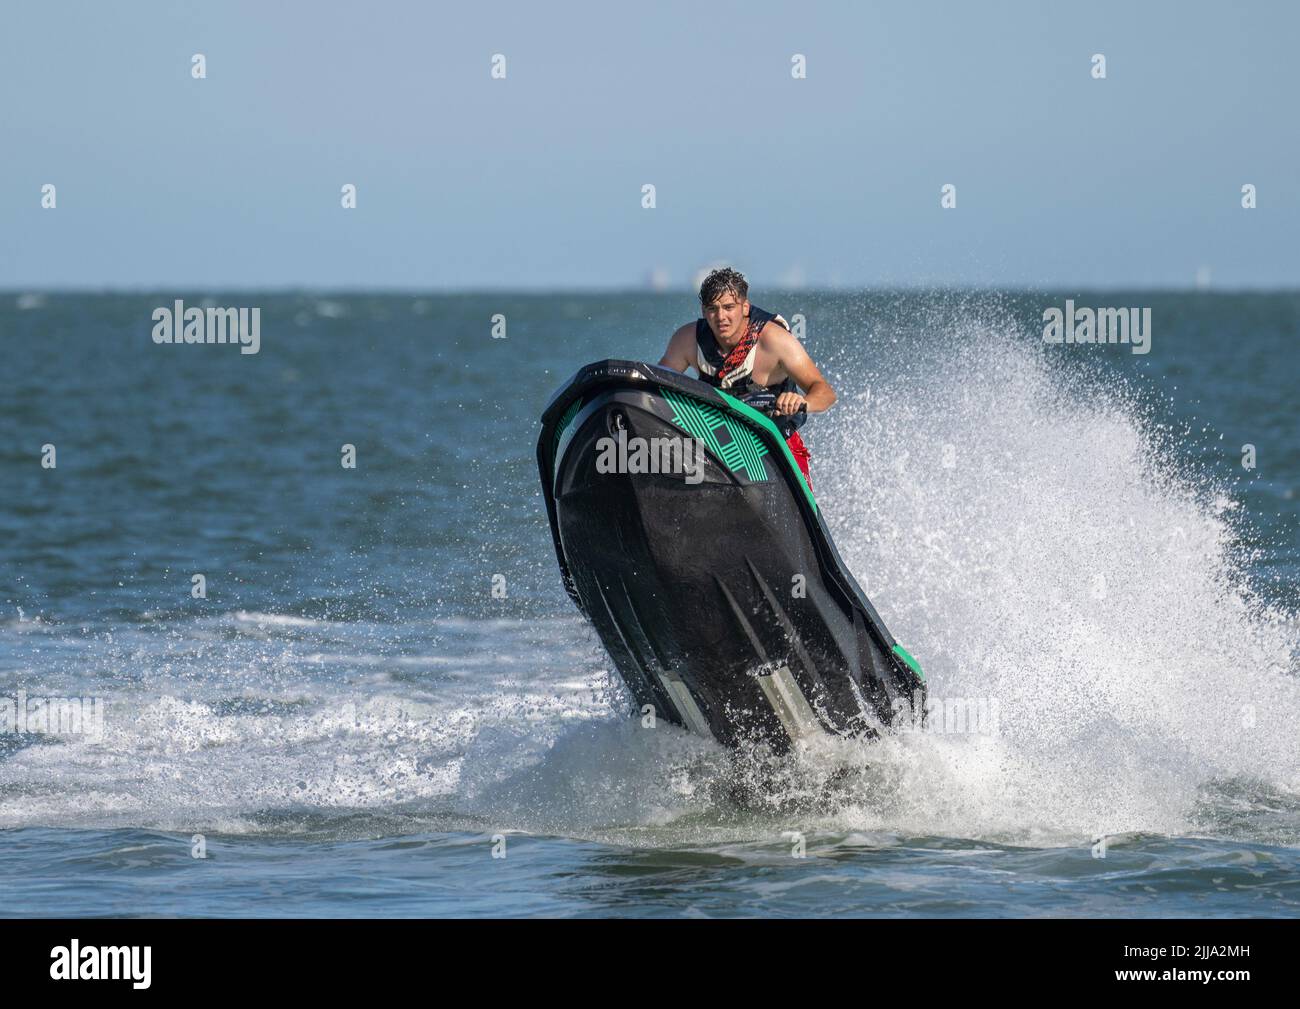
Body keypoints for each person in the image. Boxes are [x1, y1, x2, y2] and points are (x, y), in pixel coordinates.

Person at [656, 267, 835, 488]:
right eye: (713, 309)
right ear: (704, 311)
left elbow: (825, 393)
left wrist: (802, 402)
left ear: (745, 307)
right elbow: (656, 388)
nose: (721, 317)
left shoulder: (775, 341)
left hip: (775, 444)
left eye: (729, 307)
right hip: (718, 445)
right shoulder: (687, 340)